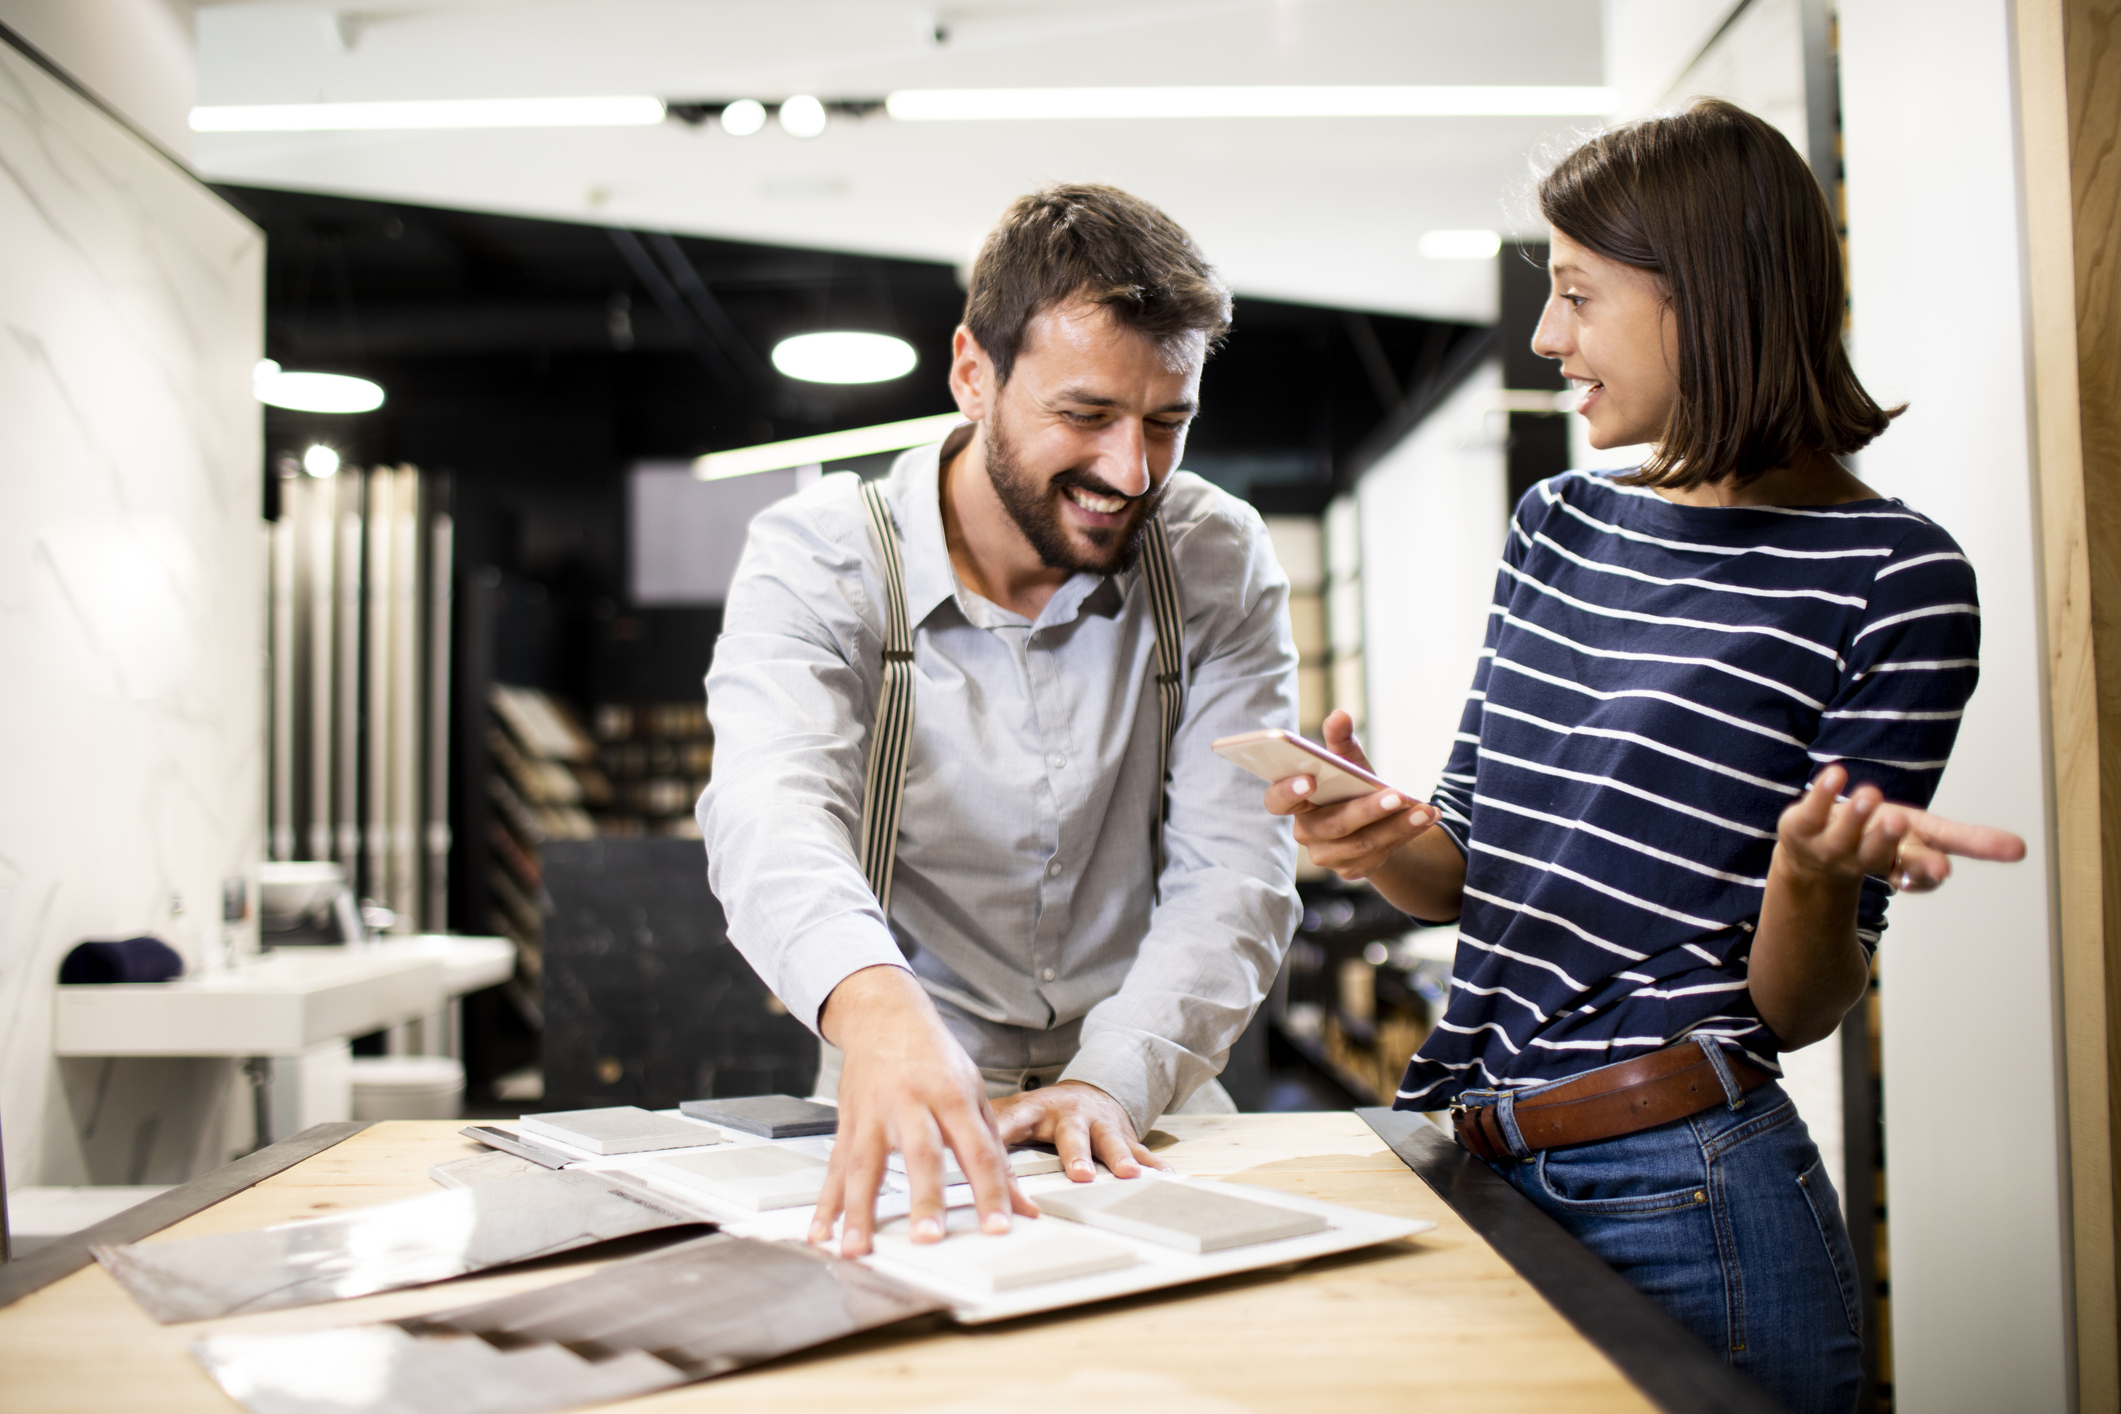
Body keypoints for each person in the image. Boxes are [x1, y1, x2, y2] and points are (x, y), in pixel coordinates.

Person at [1262, 100, 2024, 1413]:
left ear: (1703, 297)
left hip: (1692, 1195)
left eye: (1575, 294)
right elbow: (1461, 874)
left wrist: (1809, 871)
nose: (1548, 336)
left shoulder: (1894, 579)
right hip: (1480, 1160)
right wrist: (1376, 834)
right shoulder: (1558, 524)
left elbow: (1795, 1006)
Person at [700, 184, 1301, 1257]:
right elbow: (769, 809)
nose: (1131, 471)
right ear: (973, 372)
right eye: (1086, 416)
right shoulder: (822, 557)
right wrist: (881, 1016)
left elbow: (1235, 866)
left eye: (1168, 423)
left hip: (1142, 1090)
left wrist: (1106, 1081)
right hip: (905, 1074)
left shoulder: (1215, 556)